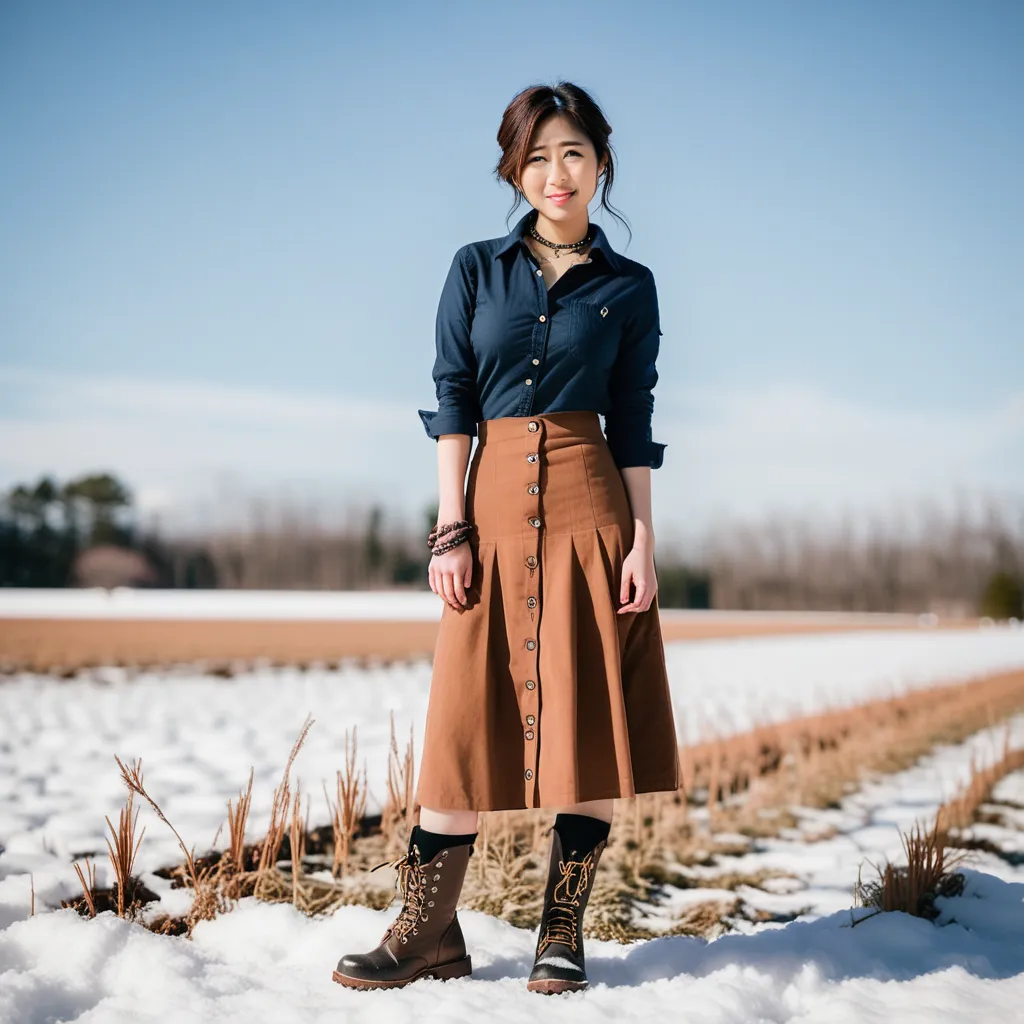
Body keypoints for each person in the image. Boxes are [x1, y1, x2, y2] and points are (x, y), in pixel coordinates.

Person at [333, 80, 680, 996]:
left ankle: (560, 931)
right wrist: (450, 529)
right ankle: (425, 930)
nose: (555, 174)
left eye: (571, 153)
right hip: (487, 509)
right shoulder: (474, 269)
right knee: (459, 721)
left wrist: (642, 539)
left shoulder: (629, 287)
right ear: (513, 170)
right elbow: (453, 400)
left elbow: (635, 418)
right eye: (535, 158)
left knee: (587, 718)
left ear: (601, 162)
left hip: (588, 504)